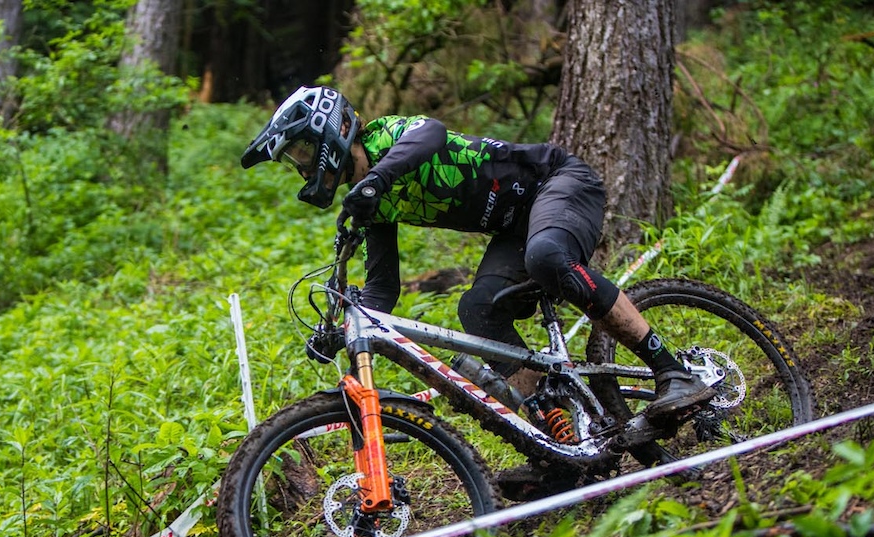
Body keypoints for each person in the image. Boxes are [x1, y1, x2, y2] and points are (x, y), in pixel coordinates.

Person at [241, 85, 716, 423]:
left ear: (331, 133)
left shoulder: (388, 135)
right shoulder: (373, 204)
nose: (302, 166)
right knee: (477, 309)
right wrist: (346, 330)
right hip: (515, 229)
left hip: (558, 182)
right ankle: (561, 434)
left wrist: (375, 181)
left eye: (302, 152)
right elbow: (384, 291)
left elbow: (432, 133)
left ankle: (672, 371)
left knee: (547, 254)